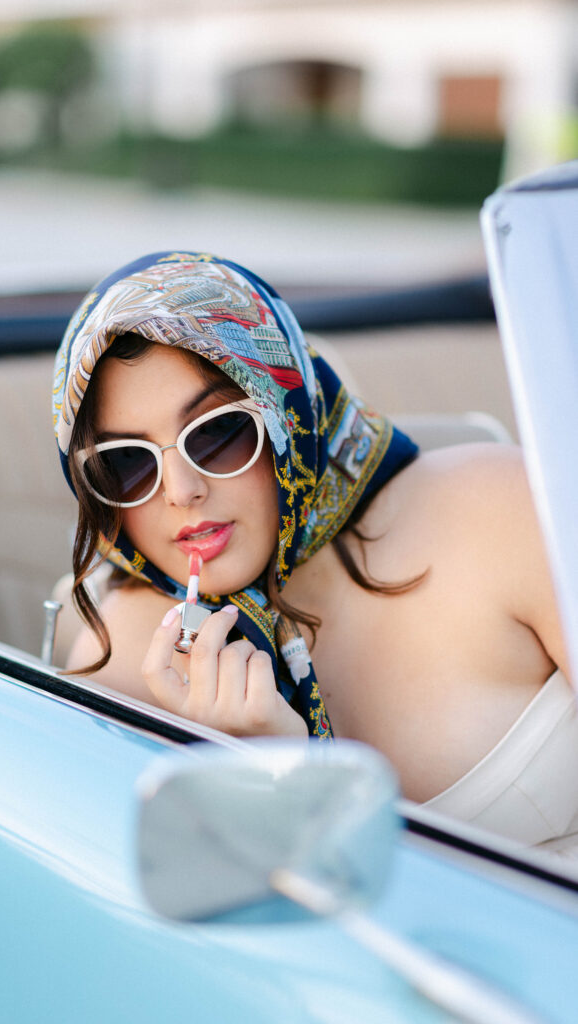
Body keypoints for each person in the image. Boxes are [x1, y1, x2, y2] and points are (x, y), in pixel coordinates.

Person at [53, 251, 578, 854]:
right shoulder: (122, 661)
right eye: (126, 462)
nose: (182, 491)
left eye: (219, 431)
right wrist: (269, 785)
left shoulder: (500, 510)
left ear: (286, 412)